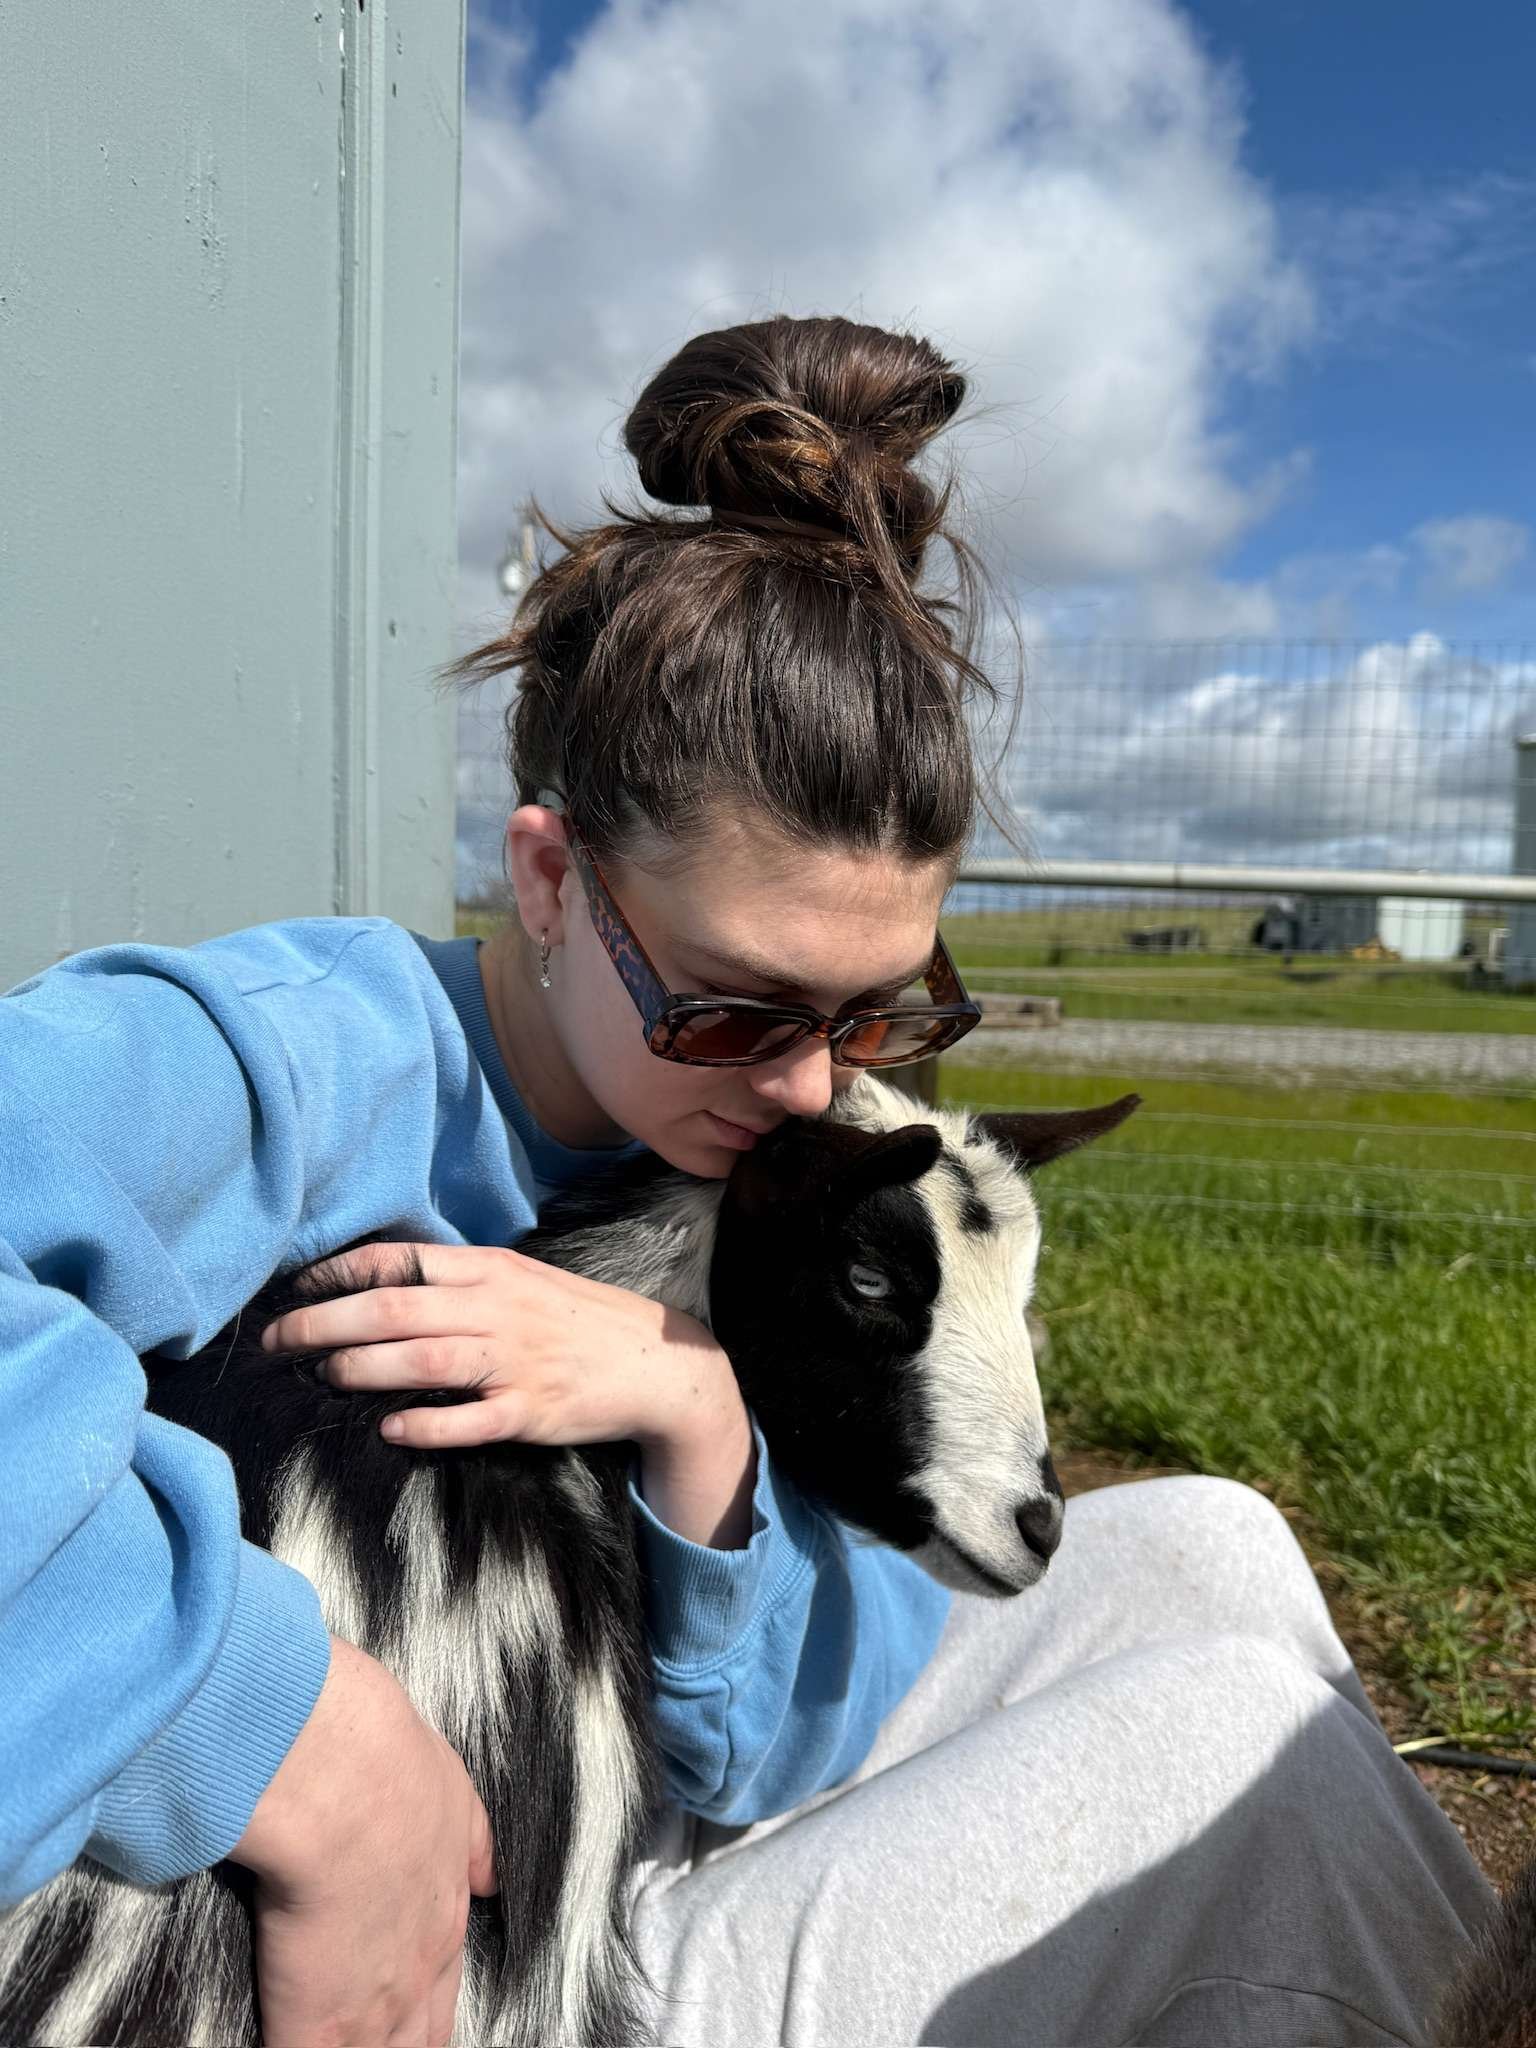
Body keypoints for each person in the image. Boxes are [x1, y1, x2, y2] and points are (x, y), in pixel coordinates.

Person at [0, 314, 1495, 2048]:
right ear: (551, 883)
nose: (811, 1088)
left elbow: (768, 1744)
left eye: (882, 1012)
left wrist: (693, 1416)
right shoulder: (292, 1063)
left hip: (614, 1827)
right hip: (427, 1977)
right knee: (1245, 1761)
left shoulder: (766, 1168)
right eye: (732, 1007)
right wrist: (287, 1738)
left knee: (1216, 1553)